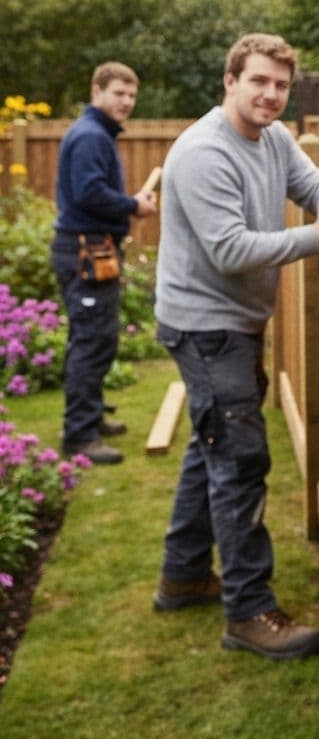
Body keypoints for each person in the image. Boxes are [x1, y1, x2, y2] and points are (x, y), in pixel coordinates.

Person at [152, 33, 319, 659]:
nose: (270, 94)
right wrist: (316, 236)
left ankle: (182, 575)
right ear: (230, 80)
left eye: (281, 85)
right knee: (238, 461)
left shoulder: (276, 138)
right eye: (258, 80)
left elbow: (314, 188)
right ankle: (248, 610)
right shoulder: (205, 153)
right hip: (206, 326)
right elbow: (230, 250)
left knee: (212, 444)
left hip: (232, 323)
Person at [51, 61, 158, 464]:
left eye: (132, 95)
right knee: (91, 342)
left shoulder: (96, 134)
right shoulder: (91, 136)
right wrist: (134, 205)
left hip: (92, 248)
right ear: (97, 92)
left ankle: (90, 417)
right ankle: (79, 436)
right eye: (119, 93)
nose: (127, 102)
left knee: (96, 338)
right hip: (85, 251)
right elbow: (89, 193)